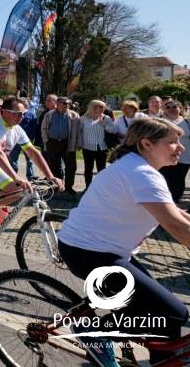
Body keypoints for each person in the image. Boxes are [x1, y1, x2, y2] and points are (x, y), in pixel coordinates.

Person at [58, 119, 188, 365]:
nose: (180, 147)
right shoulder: (141, 173)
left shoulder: (138, 166)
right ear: (146, 144)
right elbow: (176, 226)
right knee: (173, 313)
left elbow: (178, 215)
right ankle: (93, 333)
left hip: (105, 248)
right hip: (89, 252)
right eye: (172, 142)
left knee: (159, 311)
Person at [0, 96, 62, 264]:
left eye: (23, 114)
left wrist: (50, 176)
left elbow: (33, 153)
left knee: (17, 192)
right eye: (16, 113)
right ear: (3, 111)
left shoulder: (17, 129)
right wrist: (16, 177)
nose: (20, 117)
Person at [41, 96, 82, 196]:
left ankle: (69, 187)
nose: (67, 105)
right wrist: (47, 141)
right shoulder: (49, 114)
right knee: (54, 166)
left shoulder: (74, 115)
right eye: (64, 103)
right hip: (53, 143)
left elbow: (79, 131)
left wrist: (78, 143)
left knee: (71, 167)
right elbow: (44, 128)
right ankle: (56, 186)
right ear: (58, 104)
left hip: (68, 143)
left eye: (68, 103)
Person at [80, 100, 115, 189]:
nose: (103, 108)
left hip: (102, 148)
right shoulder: (84, 118)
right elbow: (79, 132)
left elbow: (114, 130)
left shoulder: (106, 118)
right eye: (101, 107)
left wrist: (104, 125)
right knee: (88, 169)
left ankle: (101, 188)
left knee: (102, 169)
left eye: (104, 107)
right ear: (93, 107)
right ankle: (88, 188)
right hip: (87, 148)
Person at [159, 101, 190, 203]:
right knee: (164, 180)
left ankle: (175, 201)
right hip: (164, 157)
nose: (171, 109)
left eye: (174, 106)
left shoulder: (187, 122)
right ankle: (166, 202)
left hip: (184, 157)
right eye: (168, 107)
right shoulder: (159, 122)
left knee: (179, 181)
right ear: (164, 109)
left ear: (180, 108)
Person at [8, 98, 37, 180]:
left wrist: (31, 139)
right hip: (15, 140)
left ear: (27, 104)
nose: (23, 104)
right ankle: (14, 175)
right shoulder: (14, 113)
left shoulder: (31, 114)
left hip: (27, 141)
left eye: (24, 102)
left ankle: (30, 176)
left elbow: (34, 128)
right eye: (21, 102)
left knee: (30, 159)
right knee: (13, 158)